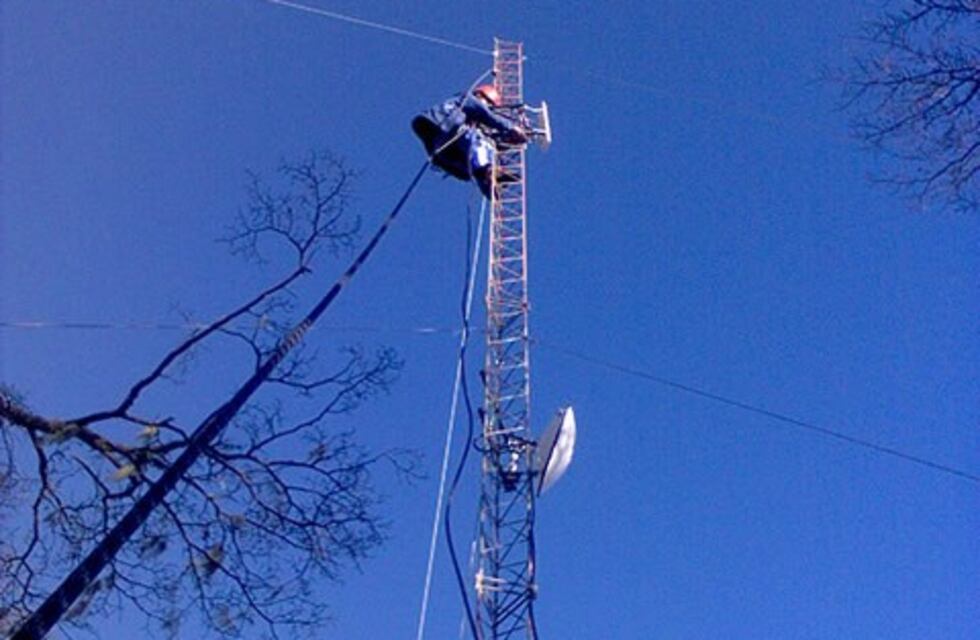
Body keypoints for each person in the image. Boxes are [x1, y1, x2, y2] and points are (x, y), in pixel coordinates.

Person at [411, 84, 527, 198]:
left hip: (443, 149)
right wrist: (510, 127)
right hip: (446, 127)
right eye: (488, 104)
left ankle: (488, 183)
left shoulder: (468, 120)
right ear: (480, 96)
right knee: (480, 140)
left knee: (475, 161)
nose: (488, 108)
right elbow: (485, 114)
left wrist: (507, 140)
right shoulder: (467, 99)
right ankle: (489, 173)